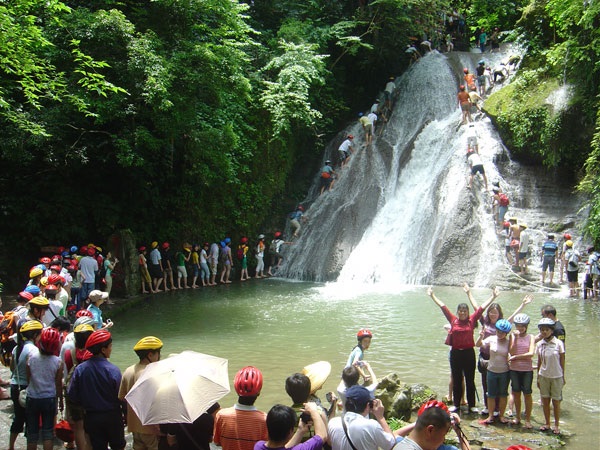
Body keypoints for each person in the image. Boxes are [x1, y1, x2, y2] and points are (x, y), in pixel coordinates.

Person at [427, 285, 499, 413]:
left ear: (468, 312)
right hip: (455, 353)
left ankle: (472, 405)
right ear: (457, 312)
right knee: (456, 379)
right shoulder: (453, 320)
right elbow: (443, 306)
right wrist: (432, 295)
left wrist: (493, 297)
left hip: (468, 353)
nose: (463, 313)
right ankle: (456, 405)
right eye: (460, 311)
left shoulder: (471, 320)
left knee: (470, 379)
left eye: (465, 311)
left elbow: (481, 308)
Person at [67, 329, 126, 450]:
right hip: (112, 416)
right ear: (103, 350)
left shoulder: (80, 370)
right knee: (118, 446)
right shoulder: (113, 370)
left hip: (91, 417)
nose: (111, 349)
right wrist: (126, 415)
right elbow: (121, 396)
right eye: (110, 346)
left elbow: (72, 395)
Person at [119, 336, 163, 450]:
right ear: (150, 355)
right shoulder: (151, 373)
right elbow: (155, 402)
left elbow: (122, 398)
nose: (159, 356)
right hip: (150, 427)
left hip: (134, 425)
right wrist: (158, 427)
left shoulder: (128, 371)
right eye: (158, 353)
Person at [26, 327, 63, 450]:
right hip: (49, 399)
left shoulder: (31, 357)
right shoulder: (58, 362)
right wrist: (61, 401)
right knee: (48, 434)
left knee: (32, 434)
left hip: (32, 397)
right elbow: (58, 384)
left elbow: (28, 378)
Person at [8, 320, 43, 450]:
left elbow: (12, 368)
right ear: (34, 335)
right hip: (26, 388)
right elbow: (33, 372)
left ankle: (11, 446)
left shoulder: (17, 348)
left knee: (18, 418)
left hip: (14, 386)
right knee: (30, 421)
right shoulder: (33, 350)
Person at [214, 366, 268, 450]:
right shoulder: (264, 419)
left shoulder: (221, 416)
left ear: (236, 389)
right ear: (259, 392)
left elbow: (217, 442)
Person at [327, 385, 395, 450]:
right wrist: (380, 417)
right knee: (399, 439)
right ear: (368, 405)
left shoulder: (333, 422)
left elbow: (330, 442)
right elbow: (391, 445)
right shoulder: (371, 425)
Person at [476, 319, 512, 425]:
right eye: (498, 331)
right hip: (491, 371)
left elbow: (513, 353)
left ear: (506, 333)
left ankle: (501, 416)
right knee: (490, 394)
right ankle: (490, 416)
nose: (500, 334)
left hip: (504, 372)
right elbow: (478, 345)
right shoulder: (491, 339)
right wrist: (481, 336)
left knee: (503, 394)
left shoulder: (509, 342)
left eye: (502, 332)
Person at [392, 401, 469, 450]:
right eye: (443, 435)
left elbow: (393, 435)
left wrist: (422, 421)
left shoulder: (401, 443)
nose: (443, 440)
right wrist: (458, 431)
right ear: (430, 430)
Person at [535, 318, 565, 435]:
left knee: (556, 401)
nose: (544, 332)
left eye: (546, 330)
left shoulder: (558, 343)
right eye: (542, 330)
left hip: (556, 376)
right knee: (545, 400)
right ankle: (547, 423)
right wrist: (538, 376)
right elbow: (539, 361)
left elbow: (562, 359)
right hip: (543, 376)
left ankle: (556, 425)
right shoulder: (540, 344)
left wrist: (563, 376)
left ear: (552, 331)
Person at [255, 402, 326, 450]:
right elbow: (322, 436)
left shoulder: (258, 446)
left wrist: (300, 431)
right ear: (290, 432)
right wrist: (313, 411)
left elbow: (284, 447)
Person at [508, 314, 535, 429]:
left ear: (526, 326)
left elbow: (531, 354)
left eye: (522, 326)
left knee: (527, 394)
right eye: (518, 326)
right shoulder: (512, 337)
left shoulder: (531, 337)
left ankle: (528, 419)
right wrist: (516, 338)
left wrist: (516, 357)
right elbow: (511, 351)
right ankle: (518, 417)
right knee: (516, 393)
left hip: (527, 370)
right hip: (514, 369)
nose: (520, 328)